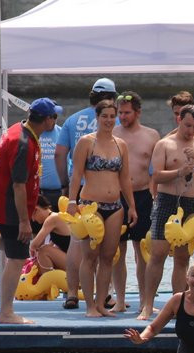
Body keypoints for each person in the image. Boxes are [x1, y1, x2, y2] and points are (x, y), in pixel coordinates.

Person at [143, 104, 194, 320]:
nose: (191, 131)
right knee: (158, 254)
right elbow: (156, 175)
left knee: (182, 258)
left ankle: (179, 305)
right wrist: (179, 172)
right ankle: (148, 305)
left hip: (192, 202)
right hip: (168, 201)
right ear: (179, 120)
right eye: (187, 125)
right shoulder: (165, 144)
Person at [0, 97, 62, 325]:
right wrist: (24, 221)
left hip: (3, 205)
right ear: (47, 120)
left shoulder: (17, 129)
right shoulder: (23, 144)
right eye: (54, 117)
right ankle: (6, 312)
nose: (55, 122)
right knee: (17, 258)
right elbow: (18, 185)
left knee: (9, 244)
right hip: (12, 209)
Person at [68, 99, 138, 318]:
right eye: (104, 116)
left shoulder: (121, 144)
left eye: (111, 116)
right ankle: (89, 305)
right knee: (90, 256)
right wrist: (72, 201)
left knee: (108, 257)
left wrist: (132, 206)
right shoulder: (86, 143)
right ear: (97, 118)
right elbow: (76, 174)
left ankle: (100, 304)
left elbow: (125, 178)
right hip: (91, 206)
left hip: (115, 206)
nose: (108, 120)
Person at [56, 78, 117, 310]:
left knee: (77, 242)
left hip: (78, 188)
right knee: (106, 248)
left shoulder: (73, 120)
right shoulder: (114, 118)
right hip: (104, 189)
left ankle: (72, 292)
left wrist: (65, 185)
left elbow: (60, 154)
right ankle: (106, 295)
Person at [114, 90, 161, 310]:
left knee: (142, 251)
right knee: (117, 251)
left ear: (138, 112)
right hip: (118, 196)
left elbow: (157, 171)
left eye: (127, 112)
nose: (122, 116)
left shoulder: (151, 135)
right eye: (120, 112)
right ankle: (121, 301)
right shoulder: (112, 133)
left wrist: (155, 194)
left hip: (143, 195)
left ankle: (145, 301)